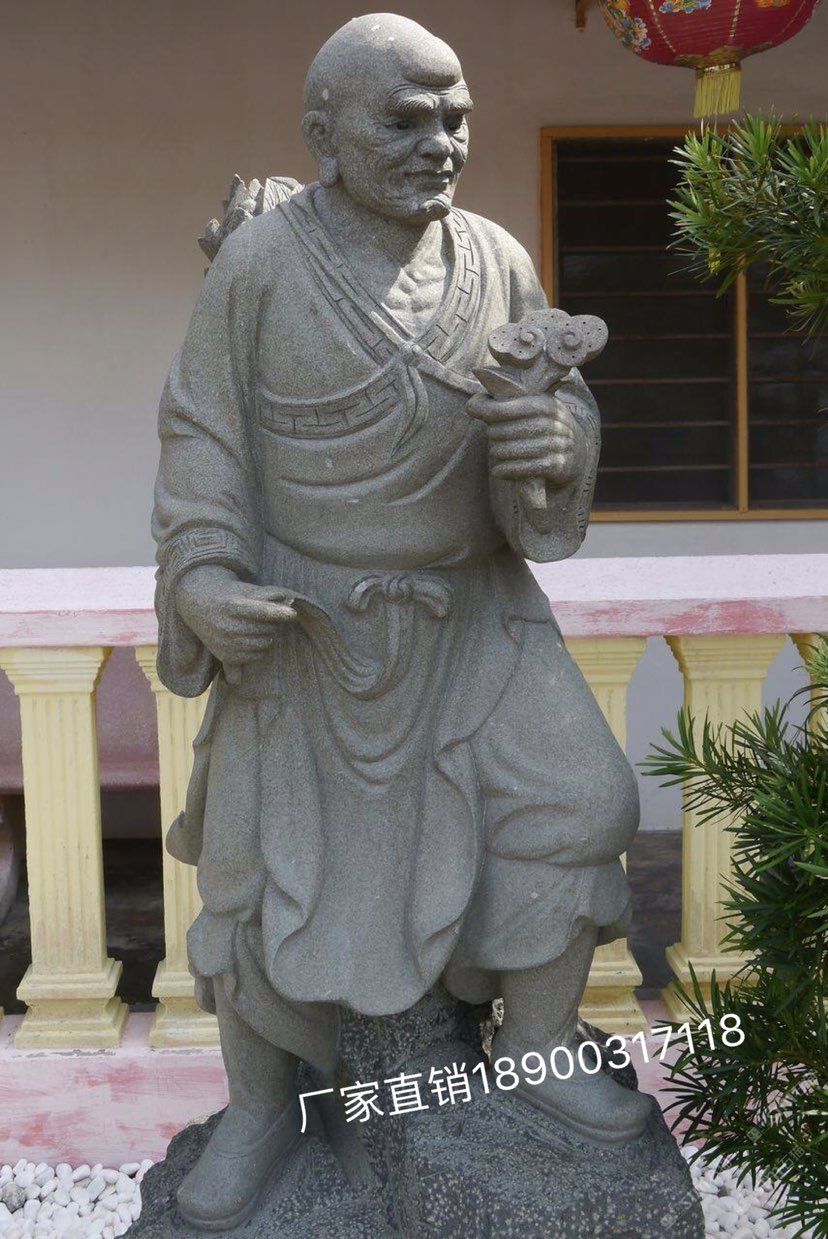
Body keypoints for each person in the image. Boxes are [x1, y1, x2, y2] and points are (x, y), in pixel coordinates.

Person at [152, 13, 649, 1231]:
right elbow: (202, 440)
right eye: (406, 118)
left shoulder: (496, 258)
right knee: (254, 873)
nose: (442, 142)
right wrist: (204, 579)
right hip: (311, 625)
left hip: (475, 611)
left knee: (583, 800)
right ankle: (265, 1109)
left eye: (457, 117)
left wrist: (557, 443)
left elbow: (555, 413)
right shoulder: (260, 267)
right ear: (323, 136)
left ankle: (536, 1048)